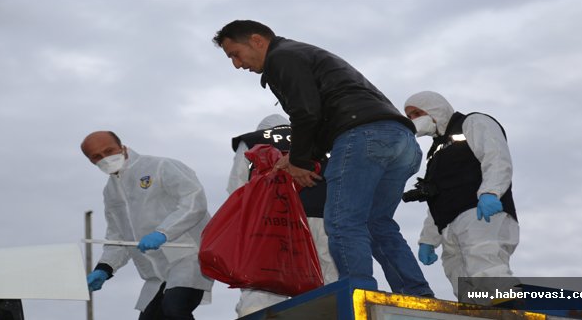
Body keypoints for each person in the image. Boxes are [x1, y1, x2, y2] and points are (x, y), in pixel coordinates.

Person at [212, 20, 433, 296]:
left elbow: (306, 112)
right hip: (402, 141)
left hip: (362, 135)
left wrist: (299, 162)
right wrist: (300, 156)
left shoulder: (281, 57)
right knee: (377, 224)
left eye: (235, 54)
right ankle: (417, 293)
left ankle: (356, 295)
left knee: (343, 221)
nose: (236, 64)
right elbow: (320, 115)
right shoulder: (302, 54)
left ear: (257, 40)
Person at [81, 131, 214, 320]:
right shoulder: (110, 193)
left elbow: (194, 202)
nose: (105, 158)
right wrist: (104, 269)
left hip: (188, 257)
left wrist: (163, 232)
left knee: (175, 310)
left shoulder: (161, 166)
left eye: (109, 150)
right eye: (97, 157)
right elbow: (118, 237)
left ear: (122, 147)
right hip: (155, 273)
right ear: (91, 162)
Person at [401, 91, 520, 303]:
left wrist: (490, 193)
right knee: (460, 279)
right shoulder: (435, 152)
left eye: (417, 113)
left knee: (484, 261)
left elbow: (496, 157)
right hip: (449, 225)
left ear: (434, 107)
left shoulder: (472, 122)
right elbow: (436, 196)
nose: (414, 120)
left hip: (479, 212)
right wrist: (428, 239)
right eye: (410, 117)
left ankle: (510, 310)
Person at [228, 113, 339, 316]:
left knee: (264, 284)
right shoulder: (317, 141)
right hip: (322, 217)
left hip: (271, 220)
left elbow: (238, 184)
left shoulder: (253, 140)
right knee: (325, 280)